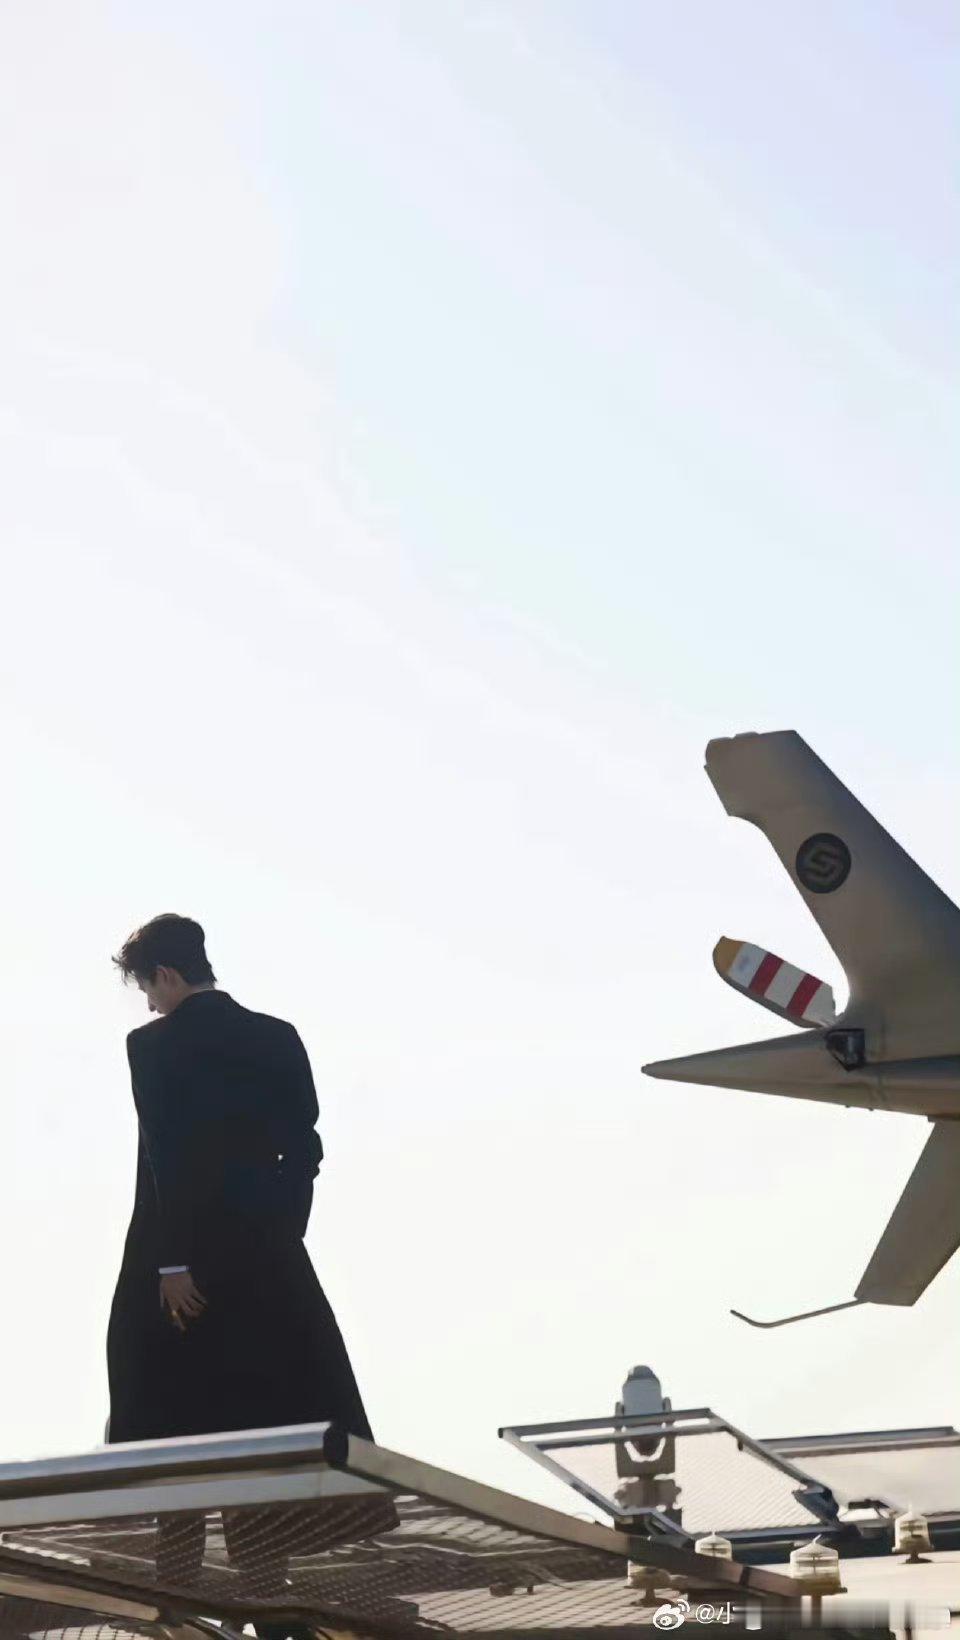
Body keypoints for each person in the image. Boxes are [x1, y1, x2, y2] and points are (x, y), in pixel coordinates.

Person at [106, 914, 393, 1627]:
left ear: (166, 975)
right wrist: (280, 1229)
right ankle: (271, 1611)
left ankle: (178, 1614)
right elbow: (306, 1147)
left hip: (178, 1265)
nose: (150, 1005)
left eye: (148, 989)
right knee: (262, 1428)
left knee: (177, 1439)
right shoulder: (276, 1035)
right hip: (267, 1259)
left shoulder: (153, 1046)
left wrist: (174, 1260)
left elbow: (167, 1157)